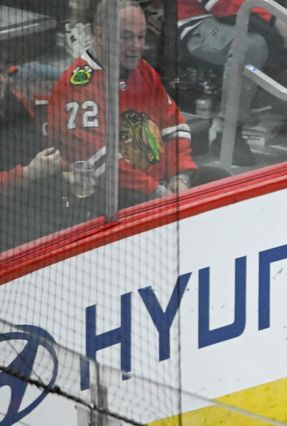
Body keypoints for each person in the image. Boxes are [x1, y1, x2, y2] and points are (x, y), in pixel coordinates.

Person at [49, 0, 197, 209]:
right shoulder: (79, 87)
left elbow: (175, 127)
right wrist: (159, 191)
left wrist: (180, 177)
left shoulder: (143, 71)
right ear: (100, 35)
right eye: (125, 37)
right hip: (112, 200)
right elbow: (102, 163)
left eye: (141, 36)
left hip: (160, 187)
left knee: (219, 178)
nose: (136, 46)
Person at [177, 0, 287, 165]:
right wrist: (273, 18)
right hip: (201, 20)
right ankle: (228, 130)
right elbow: (219, 3)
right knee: (250, 45)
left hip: (262, 13)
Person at [0, 56, 67, 252]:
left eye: (3, 74)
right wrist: (27, 174)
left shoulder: (16, 101)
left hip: (40, 202)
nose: (3, 81)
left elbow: (38, 147)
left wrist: (64, 170)